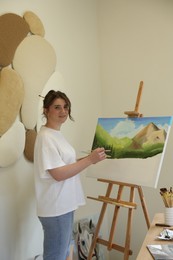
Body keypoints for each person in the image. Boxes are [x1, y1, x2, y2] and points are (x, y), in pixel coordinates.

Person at [34, 90, 106, 260]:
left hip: (63, 205)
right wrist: (89, 159)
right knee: (56, 256)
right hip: (56, 207)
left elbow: (65, 164)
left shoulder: (56, 135)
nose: (63, 111)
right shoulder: (46, 137)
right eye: (57, 107)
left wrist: (91, 159)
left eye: (66, 107)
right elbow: (58, 174)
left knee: (64, 251)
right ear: (46, 110)